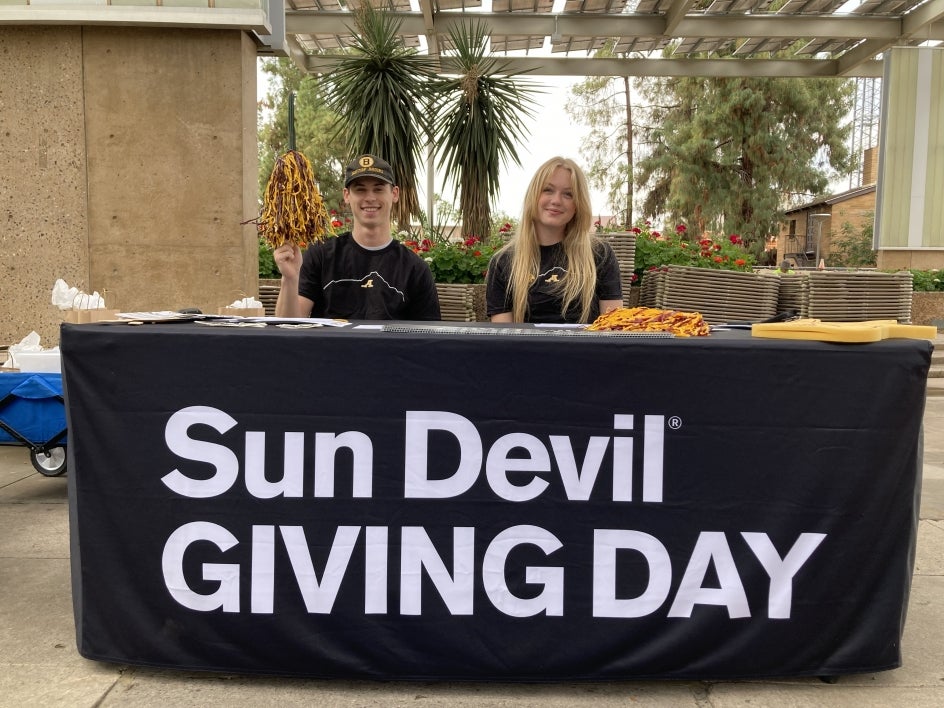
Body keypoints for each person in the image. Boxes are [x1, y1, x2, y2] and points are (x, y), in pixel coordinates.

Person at [273, 154, 441, 321]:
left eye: (378, 188)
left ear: (394, 194)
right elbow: (288, 328)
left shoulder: (415, 269)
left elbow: (428, 339)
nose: (369, 198)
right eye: (360, 189)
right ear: (347, 195)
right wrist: (290, 278)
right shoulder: (322, 256)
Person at [486, 157, 623, 324]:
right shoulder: (503, 261)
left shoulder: (599, 254)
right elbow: (504, 340)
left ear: (578, 204)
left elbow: (613, 329)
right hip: (525, 350)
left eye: (568, 194)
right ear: (533, 196)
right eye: (548, 190)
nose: (556, 201)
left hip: (586, 350)